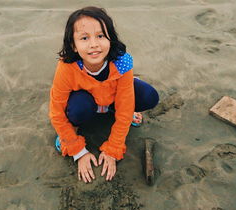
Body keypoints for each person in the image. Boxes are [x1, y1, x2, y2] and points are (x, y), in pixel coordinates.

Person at [49, 6, 159, 183]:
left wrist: (113, 149)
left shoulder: (122, 63)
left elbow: (125, 106)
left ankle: (107, 109)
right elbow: (56, 111)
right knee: (78, 110)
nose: (94, 44)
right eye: (84, 38)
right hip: (86, 100)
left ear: (111, 38)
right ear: (73, 45)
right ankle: (71, 131)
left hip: (113, 96)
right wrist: (77, 150)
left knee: (149, 96)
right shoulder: (66, 67)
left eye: (100, 36)